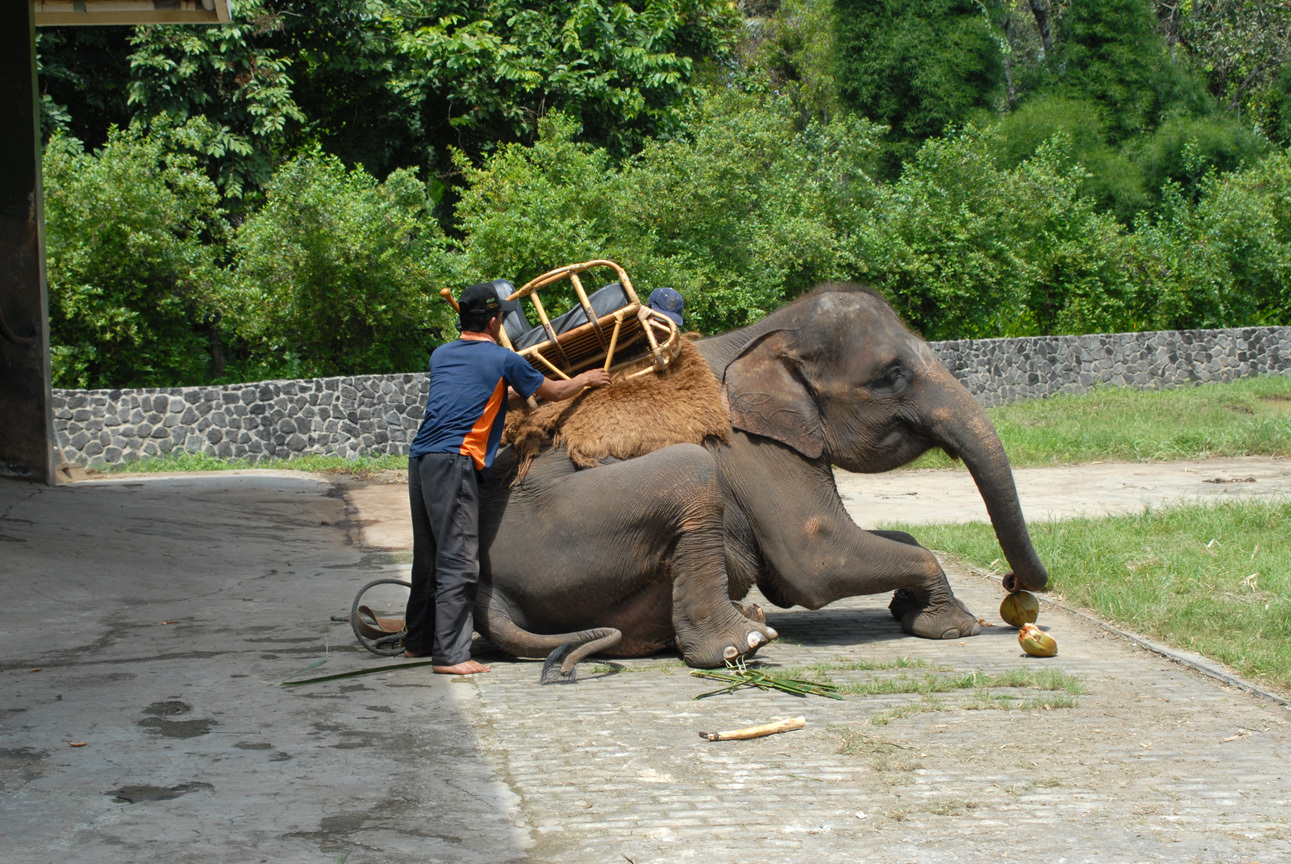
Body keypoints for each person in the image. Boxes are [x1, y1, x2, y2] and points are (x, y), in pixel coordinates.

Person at [404, 282, 612, 675]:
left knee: (427, 557)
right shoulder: (503, 359)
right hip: (455, 461)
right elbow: (555, 390)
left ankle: (417, 642)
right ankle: (451, 656)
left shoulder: (441, 355)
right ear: (496, 319)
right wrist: (586, 378)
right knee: (460, 560)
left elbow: (478, 392)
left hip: (420, 460)